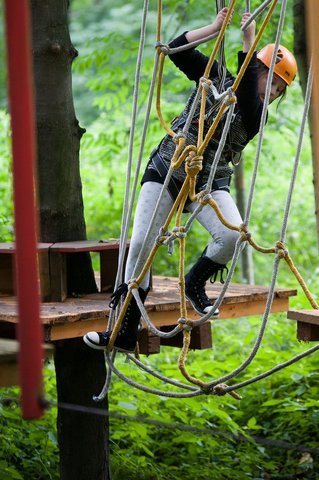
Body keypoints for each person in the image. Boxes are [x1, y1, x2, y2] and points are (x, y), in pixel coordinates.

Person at [83, 8, 297, 352]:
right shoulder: (216, 76)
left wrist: (246, 41)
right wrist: (213, 29)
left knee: (232, 234)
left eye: (279, 88)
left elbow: (245, 98)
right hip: (168, 167)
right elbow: (176, 49)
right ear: (257, 68)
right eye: (269, 79)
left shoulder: (258, 115)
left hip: (209, 181)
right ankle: (124, 330)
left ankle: (194, 281)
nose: (272, 90)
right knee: (139, 246)